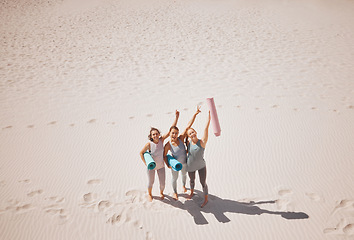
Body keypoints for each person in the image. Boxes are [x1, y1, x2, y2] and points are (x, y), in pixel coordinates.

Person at [163, 106, 201, 200]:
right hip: (175, 165)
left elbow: (188, 126)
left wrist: (195, 114)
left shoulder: (181, 138)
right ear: (170, 133)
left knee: (184, 175)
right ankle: (175, 192)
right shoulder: (168, 145)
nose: (174, 135)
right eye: (172, 133)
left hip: (184, 163)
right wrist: (168, 164)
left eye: (176, 133)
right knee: (174, 179)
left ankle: (184, 186)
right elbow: (164, 155)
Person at [139, 111, 179, 201]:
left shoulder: (161, 140)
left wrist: (176, 118)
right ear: (151, 136)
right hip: (151, 167)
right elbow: (141, 153)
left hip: (161, 166)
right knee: (151, 182)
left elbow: (170, 131)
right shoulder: (148, 144)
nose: (155, 135)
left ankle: (161, 193)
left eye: (157, 133)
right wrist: (146, 163)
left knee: (162, 184)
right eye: (153, 134)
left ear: (159, 134)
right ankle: (150, 194)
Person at [185, 110, 211, 207]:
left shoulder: (202, 142)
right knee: (192, 181)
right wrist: (194, 114)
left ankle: (206, 199)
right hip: (190, 166)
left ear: (195, 132)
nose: (192, 134)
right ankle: (191, 192)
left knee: (203, 182)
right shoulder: (188, 143)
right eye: (190, 134)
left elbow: (206, 128)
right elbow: (187, 127)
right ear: (188, 136)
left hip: (201, 166)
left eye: (193, 132)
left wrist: (209, 117)